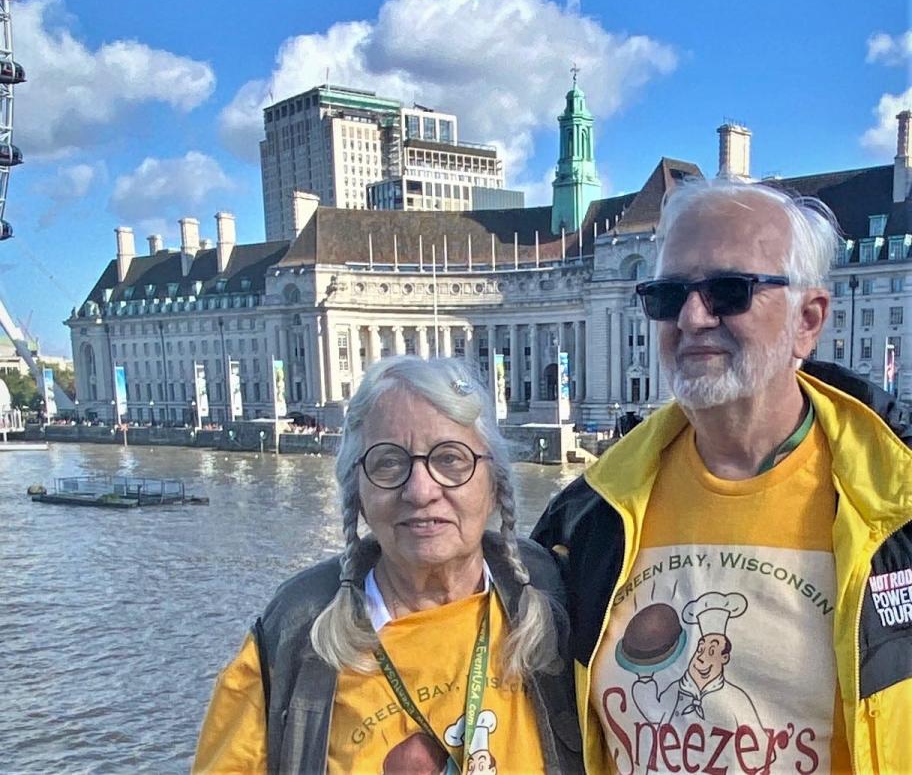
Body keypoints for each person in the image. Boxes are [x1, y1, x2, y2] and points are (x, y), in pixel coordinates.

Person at [532, 178, 912, 774]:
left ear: (808, 321)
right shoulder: (585, 515)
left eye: (729, 291)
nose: (691, 316)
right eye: (667, 294)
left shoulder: (901, 502)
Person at [194, 355, 582, 773]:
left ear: (495, 486)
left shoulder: (564, 598)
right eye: (389, 462)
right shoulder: (291, 634)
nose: (420, 490)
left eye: (450, 459)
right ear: (357, 495)